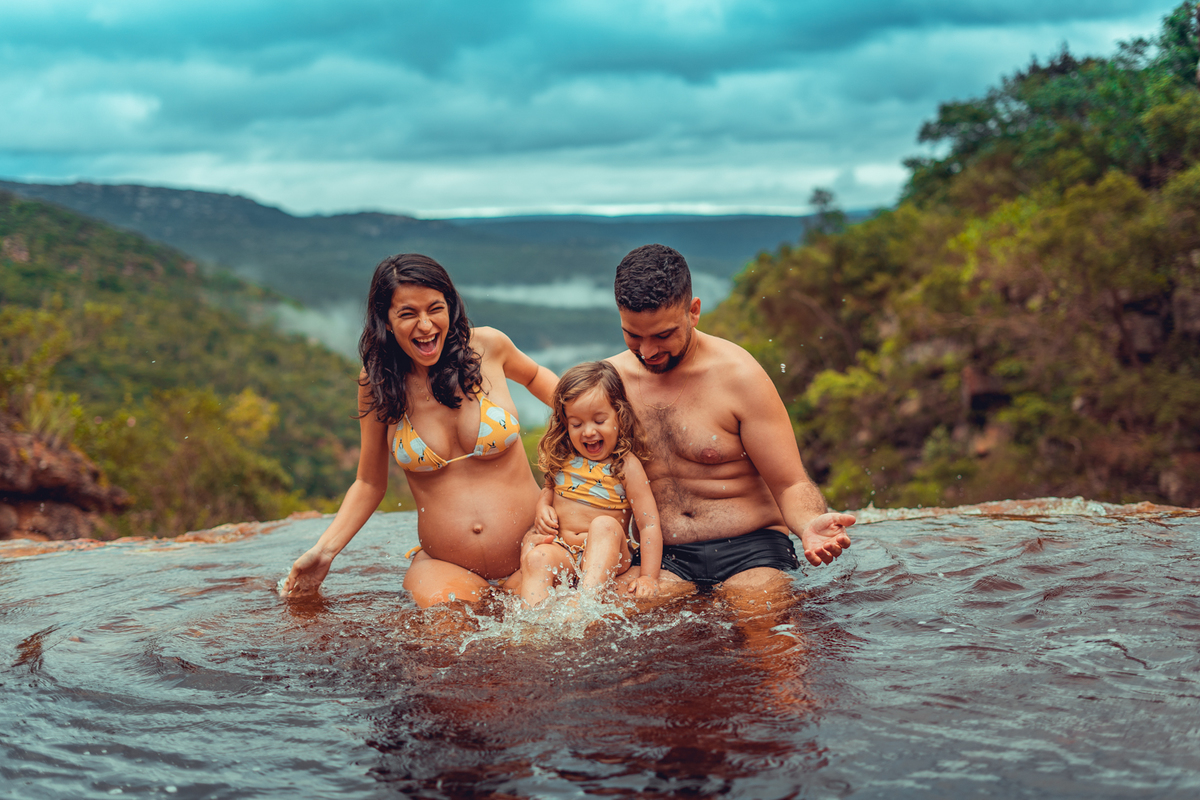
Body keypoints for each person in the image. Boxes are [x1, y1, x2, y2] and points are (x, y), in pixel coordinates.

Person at [278, 253, 556, 607]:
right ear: (387, 321)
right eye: (408, 314)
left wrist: (585, 438)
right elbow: (369, 482)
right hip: (445, 567)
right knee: (444, 641)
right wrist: (324, 552)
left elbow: (540, 381)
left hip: (536, 548)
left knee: (537, 643)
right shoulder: (378, 383)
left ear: (450, 308)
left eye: (435, 308)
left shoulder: (487, 346)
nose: (425, 325)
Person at [607, 244, 854, 595]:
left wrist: (810, 524)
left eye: (663, 335)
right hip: (660, 555)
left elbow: (789, 483)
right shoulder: (612, 381)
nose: (648, 352)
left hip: (751, 550)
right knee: (618, 614)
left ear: (693, 312)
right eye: (633, 335)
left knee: (760, 615)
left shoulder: (739, 376)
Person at [519, 361, 662, 606]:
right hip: (564, 550)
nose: (588, 432)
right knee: (538, 557)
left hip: (609, 554)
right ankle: (530, 627)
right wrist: (542, 507)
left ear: (619, 415)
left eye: (599, 421)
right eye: (577, 424)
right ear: (565, 424)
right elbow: (549, 489)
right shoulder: (563, 456)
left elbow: (648, 524)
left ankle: (584, 604)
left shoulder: (625, 465)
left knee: (604, 525)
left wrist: (649, 576)